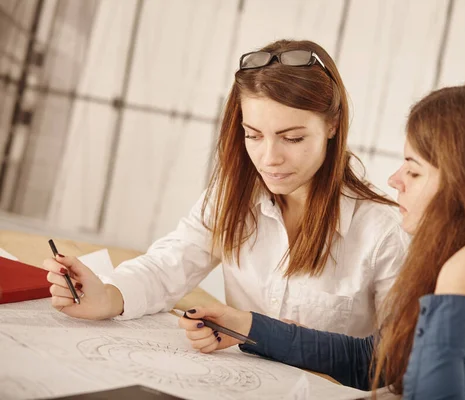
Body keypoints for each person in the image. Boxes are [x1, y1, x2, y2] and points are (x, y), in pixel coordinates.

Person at [176, 82, 465, 399]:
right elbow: (381, 363)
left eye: (413, 169)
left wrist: (454, 286)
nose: (394, 181)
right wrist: (249, 328)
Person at [41, 39, 409, 338]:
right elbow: (169, 265)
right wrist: (108, 295)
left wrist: (274, 337)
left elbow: (396, 362)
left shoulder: (383, 231)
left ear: (332, 126)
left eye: (292, 138)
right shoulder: (233, 196)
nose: (269, 158)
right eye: (253, 135)